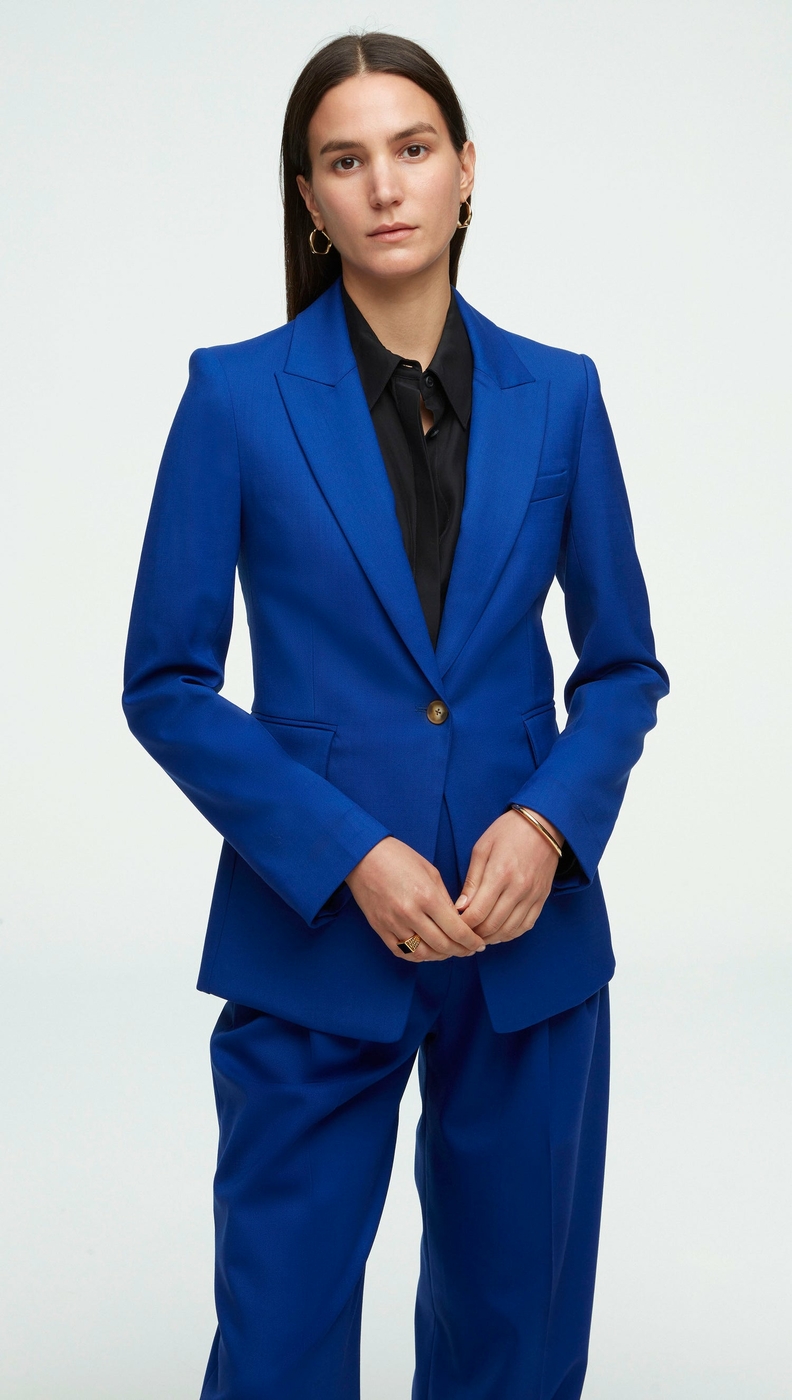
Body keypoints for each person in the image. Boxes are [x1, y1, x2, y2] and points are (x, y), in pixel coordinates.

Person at [122, 30, 669, 1400]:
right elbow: (166, 683)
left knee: (517, 1342)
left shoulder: (562, 394)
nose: (384, 186)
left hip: (525, 934)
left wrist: (549, 823)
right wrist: (348, 851)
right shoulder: (234, 395)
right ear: (309, 197)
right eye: (344, 159)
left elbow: (623, 668)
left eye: (413, 148)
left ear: (466, 169)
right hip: (314, 930)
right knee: (279, 1343)